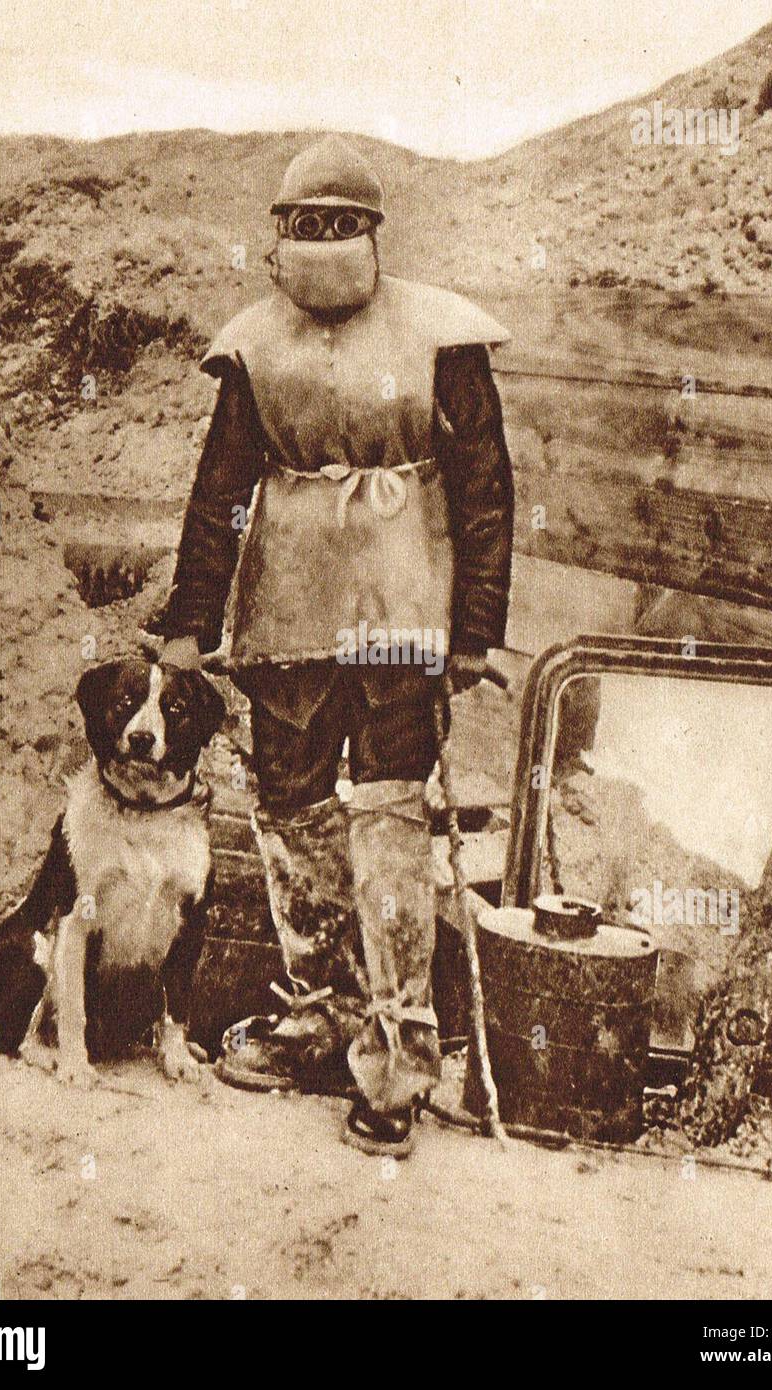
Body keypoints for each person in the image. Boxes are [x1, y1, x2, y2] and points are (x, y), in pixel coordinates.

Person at [155, 134, 514, 1157]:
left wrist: (477, 629)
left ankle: (397, 1059)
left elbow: (484, 492)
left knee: (391, 821)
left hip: (404, 610)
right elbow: (222, 493)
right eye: (302, 224)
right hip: (289, 608)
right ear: (277, 234)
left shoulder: (442, 336)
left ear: (371, 230)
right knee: (292, 814)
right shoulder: (253, 345)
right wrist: (192, 620)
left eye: (339, 223)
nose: (320, 240)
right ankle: (321, 1010)